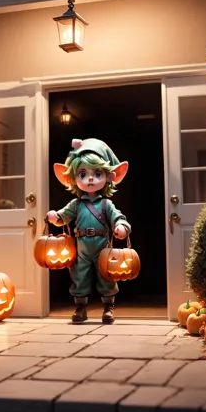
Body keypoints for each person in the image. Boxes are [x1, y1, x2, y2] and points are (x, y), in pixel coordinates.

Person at [46, 138, 131, 324]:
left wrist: (121, 227)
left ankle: (108, 307)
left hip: (103, 246)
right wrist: (56, 217)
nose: (90, 178)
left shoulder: (106, 204)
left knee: (106, 276)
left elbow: (118, 217)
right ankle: (80, 307)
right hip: (82, 246)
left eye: (97, 173)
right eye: (83, 174)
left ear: (109, 176)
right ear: (73, 178)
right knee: (79, 276)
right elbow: (64, 216)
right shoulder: (76, 204)